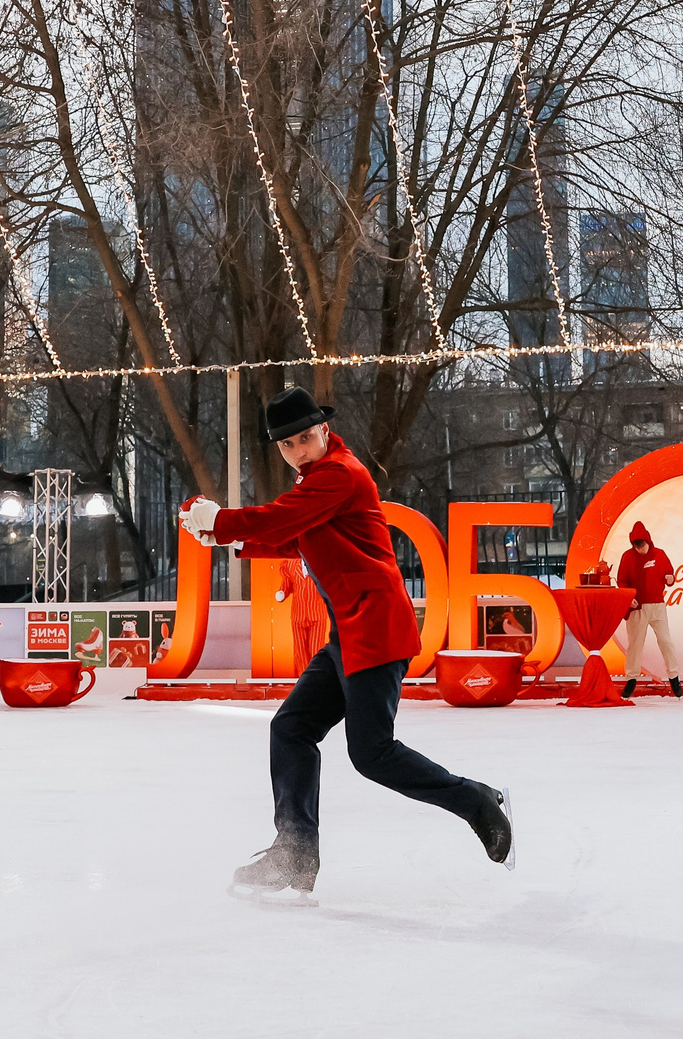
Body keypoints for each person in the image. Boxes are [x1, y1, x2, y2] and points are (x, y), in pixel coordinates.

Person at [181, 387, 513, 904]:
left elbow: (281, 519)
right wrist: (231, 540)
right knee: (291, 727)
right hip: (349, 633)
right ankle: (294, 851)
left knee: (372, 753)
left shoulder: (339, 474)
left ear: (323, 430)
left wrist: (220, 522)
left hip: (377, 629)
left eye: (305, 438)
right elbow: (293, 537)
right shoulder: (318, 480)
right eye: (287, 444)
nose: (298, 449)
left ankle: (479, 802)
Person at [614, 521, 683, 698]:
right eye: (637, 546)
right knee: (635, 645)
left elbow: (670, 574)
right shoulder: (627, 557)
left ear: (648, 541)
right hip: (638, 607)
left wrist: (670, 578)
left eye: (642, 545)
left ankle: (673, 676)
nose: (640, 549)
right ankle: (631, 678)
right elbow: (622, 580)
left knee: (665, 641)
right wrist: (629, 598)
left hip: (657, 606)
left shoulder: (659, 555)